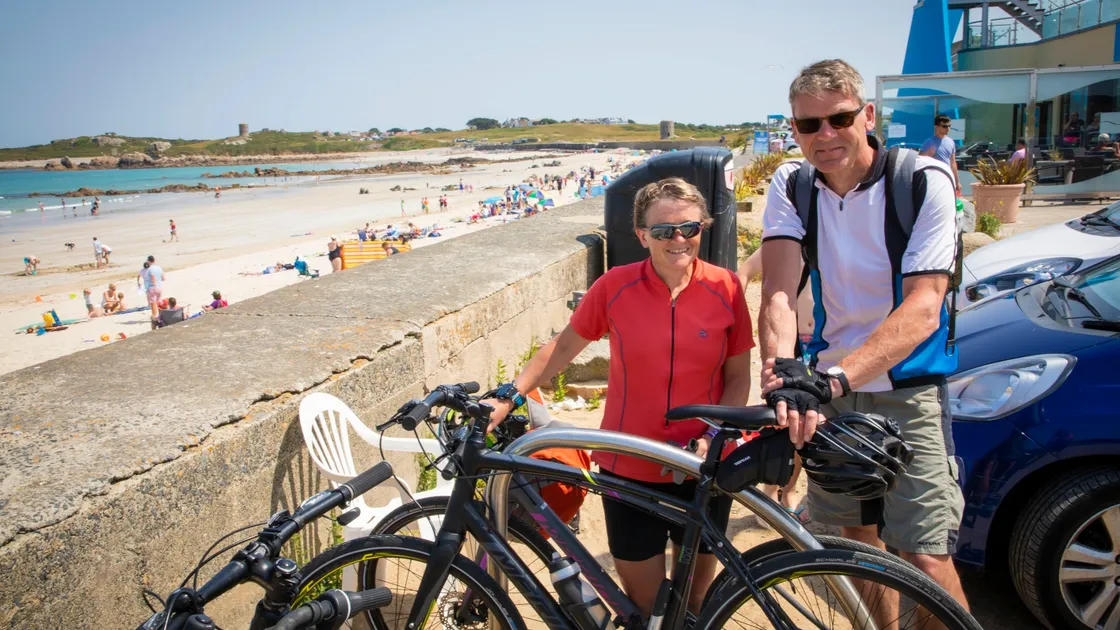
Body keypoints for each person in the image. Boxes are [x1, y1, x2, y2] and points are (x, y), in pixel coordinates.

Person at [483, 177, 754, 616]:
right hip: (627, 465)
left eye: (690, 228)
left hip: (702, 465)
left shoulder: (726, 288)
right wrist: (509, 395)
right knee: (647, 608)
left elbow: (738, 375)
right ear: (643, 235)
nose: (679, 240)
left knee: (698, 603)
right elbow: (563, 345)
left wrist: (716, 433)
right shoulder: (615, 286)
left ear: (704, 226)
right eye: (664, 231)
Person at [759, 59, 968, 619]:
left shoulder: (922, 181)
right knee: (857, 545)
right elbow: (778, 292)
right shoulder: (793, 183)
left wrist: (831, 380)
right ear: (795, 129)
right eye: (809, 126)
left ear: (867, 115)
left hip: (906, 385)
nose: (825, 136)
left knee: (924, 553)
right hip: (831, 389)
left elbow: (924, 307)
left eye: (839, 118)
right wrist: (781, 376)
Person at [920, 114, 962, 195]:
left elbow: (953, 163)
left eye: (949, 126)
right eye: (944, 126)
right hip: (935, 179)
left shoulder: (951, 142)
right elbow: (920, 162)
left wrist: (957, 182)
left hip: (948, 177)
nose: (948, 129)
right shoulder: (929, 143)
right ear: (937, 127)